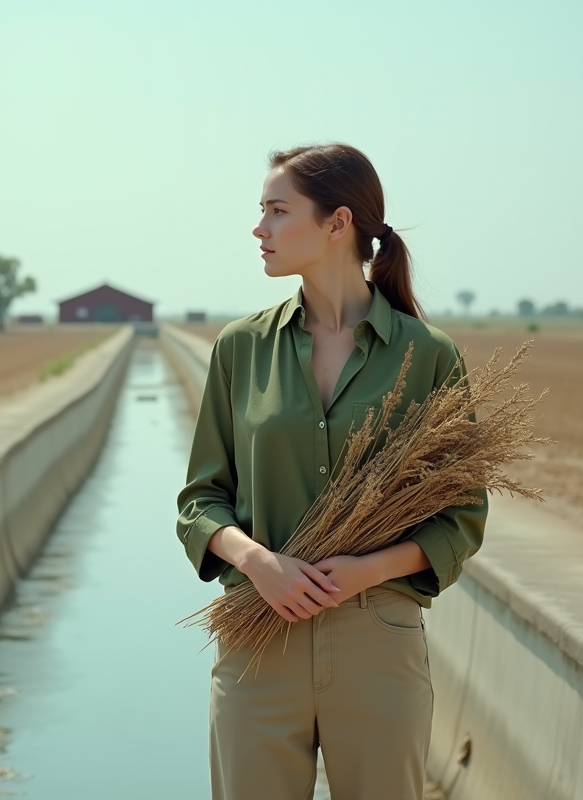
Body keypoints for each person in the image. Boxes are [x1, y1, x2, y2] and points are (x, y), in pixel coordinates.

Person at [176, 143, 487, 800]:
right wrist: (260, 563)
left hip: (378, 641)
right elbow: (201, 500)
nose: (259, 228)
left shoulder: (429, 356)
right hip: (257, 635)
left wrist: (367, 571)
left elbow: (461, 516)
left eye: (277, 210)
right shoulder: (241, 348)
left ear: (338, 222)